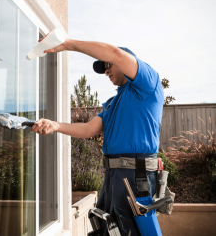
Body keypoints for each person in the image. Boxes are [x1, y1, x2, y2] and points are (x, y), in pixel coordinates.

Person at [30, 35, 164, 236]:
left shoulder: (147, 85)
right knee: (108, 229)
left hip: (136, 176)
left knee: (130, 231)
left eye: (109, 65)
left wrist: (68, 44)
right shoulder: (113, 103)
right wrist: (55, 125)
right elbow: (88, 129)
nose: (107, 70)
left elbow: (116, 54)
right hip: (113, 177)